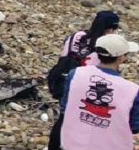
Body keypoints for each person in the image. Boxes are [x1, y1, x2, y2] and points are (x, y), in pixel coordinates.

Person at [48, 11, 122, 149]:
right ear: (111, 29)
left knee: (65, 117)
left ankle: (55, 145)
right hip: (84, 87)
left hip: (61, 78)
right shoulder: (105, 48)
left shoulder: (77, 36)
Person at [58, 34, 139, 150]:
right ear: (121, 57)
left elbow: (64, 107)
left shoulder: (75, 74)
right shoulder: (132, 90)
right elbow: (135, 126)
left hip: (72, 143)